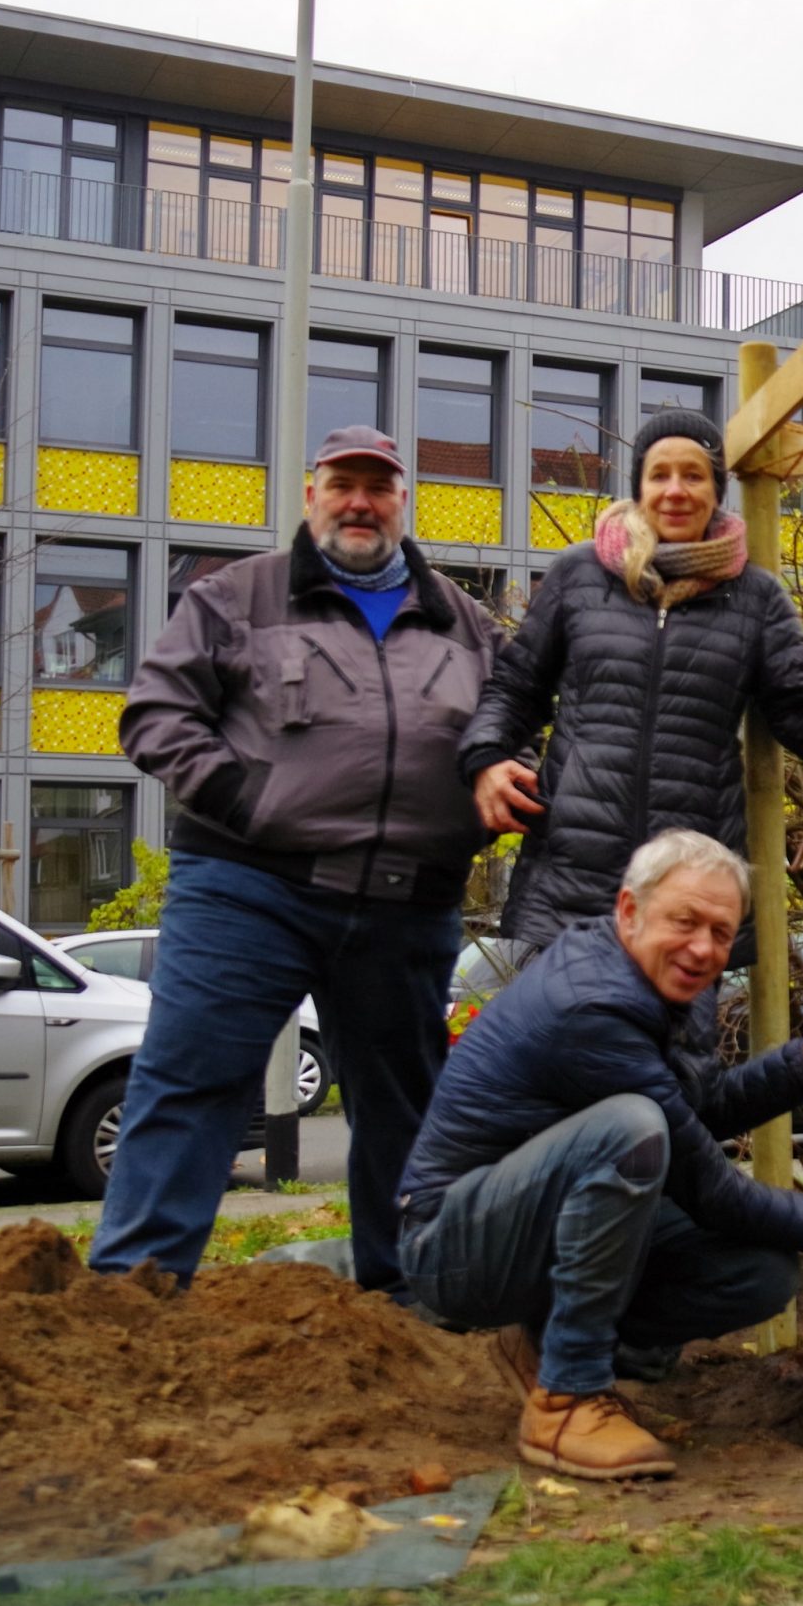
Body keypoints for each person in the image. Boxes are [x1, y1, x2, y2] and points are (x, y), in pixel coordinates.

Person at [398, 831, 803, 1481]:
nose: (703, 948)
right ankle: (567, 1399)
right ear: (629, 911)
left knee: (758, 1273)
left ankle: (542, 1350)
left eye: (720, 931)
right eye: (684, 922)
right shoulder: (593, 1007)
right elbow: (705, 1182)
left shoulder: (664, 985)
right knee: (630, 1129)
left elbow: (698, 1111)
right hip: (453, 1246)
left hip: (529, 1221)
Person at [91, 424, 498, 1293]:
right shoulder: (236, 595)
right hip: (248, 889)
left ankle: (407, 1303)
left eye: (378, 487)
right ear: (311, 494)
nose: (360, 502)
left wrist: (486, 808)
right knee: (191, 1084)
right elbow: (155, 715)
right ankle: (132, 1303)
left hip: (407, 903)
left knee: (407, 1113)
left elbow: (507, 734)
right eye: (342, 484)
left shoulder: (465, 622)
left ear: (402, 503)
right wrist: (248, 802)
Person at [459, 407, 803, 952]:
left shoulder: (755, 598)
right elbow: (516, 687)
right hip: (570, 881)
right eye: (659, 474)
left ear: (715, 490)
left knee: (677, 1040)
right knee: (567, 1036)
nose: (675, 491)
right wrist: (486, 759)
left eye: (693, 475)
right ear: (640, 486)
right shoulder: (579, 575)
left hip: (690, 884)